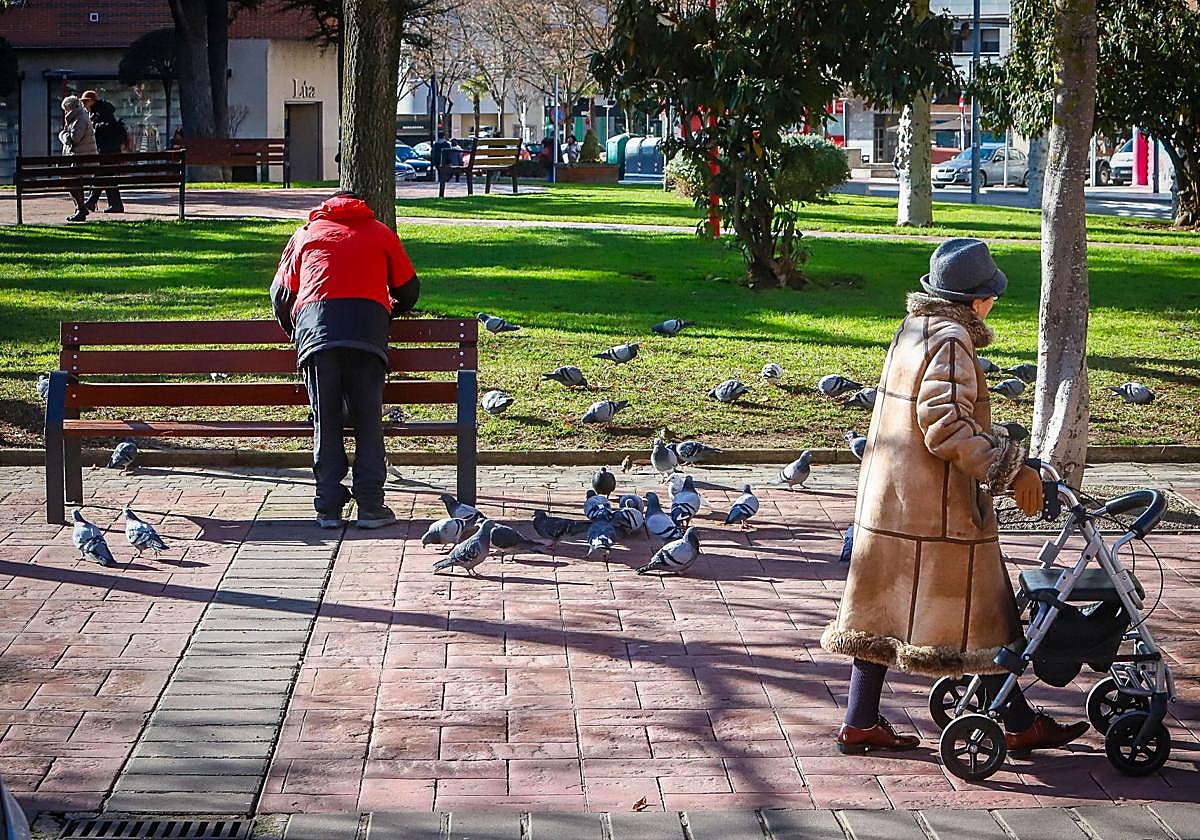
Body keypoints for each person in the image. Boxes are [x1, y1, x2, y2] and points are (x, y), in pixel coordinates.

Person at [821, 238, 1090, 755]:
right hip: (937, 505)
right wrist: (1011, 467)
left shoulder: (914, 328)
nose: (993, 304)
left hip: (893, 500)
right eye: (990, 295)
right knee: (986, 611)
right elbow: (944, 426)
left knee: (877, 612)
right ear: (975, 300)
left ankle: (860, 721)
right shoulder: (951, 340)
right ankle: (1013, 720)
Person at [270, 191, 421, 529]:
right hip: (367, 334)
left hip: (317, 334)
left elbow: (279, 295)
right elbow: (409, 291)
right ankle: (370, 505)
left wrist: (293, 329)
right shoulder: (381, 233)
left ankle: (327, 507)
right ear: (362, 207)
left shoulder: (306, 235)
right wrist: (386, 312)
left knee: (326, 420)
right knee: (368, 421)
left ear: (326, 208)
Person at [80, 90, 126, 214]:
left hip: (106, 151)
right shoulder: (103, 111)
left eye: (85, 102)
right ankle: (115, 204)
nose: (84, 105)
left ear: (92, 101)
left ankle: (91, 202)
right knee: (106, 176)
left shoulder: (99, 113)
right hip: (111, 150)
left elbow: (100, 132)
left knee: (102, 175)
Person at [58, 95, 98, 222]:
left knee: (68, 179)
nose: (65, 112)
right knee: (68, 178)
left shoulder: (80, 119)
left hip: (84, 162)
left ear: (70, 108)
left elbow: (74, 139)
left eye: (65, 109)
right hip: (82, 161)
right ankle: (80, 208)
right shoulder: (78, 118)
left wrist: (62, 134)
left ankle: (81, 208)